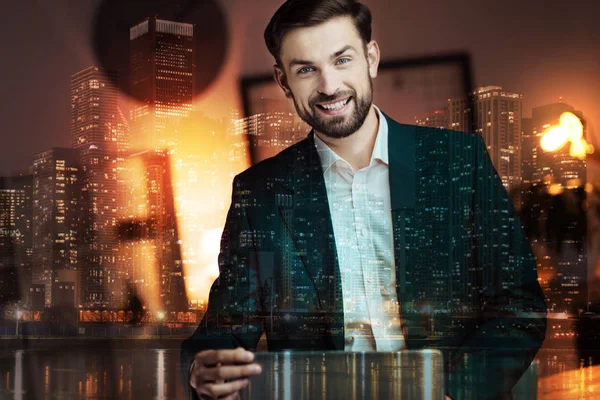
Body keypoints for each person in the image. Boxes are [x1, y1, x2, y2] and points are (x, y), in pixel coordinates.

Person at [181, 0, 547, 399]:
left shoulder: (460, 161)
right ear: (283, 81)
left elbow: (519, 306)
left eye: (342, 60)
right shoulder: (260, 193)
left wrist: (449, 393)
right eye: (306, 69)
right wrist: (204, 373)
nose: (329, 86)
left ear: (371, 58)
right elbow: (223, 331)